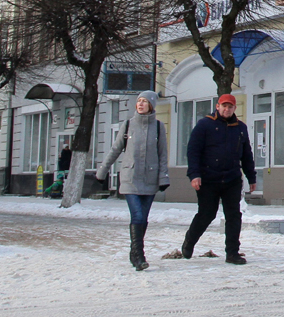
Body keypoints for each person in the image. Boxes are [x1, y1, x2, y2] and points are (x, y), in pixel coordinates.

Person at [172, 93, 256, 265]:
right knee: (207, 214)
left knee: (233, 216)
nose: (227, 109)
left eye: (230, 106)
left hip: (232, 178)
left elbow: (246, 154)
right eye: (224, 106)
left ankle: (232, 252)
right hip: (208, 178)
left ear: (234, 108)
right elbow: (193, 151)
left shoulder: (240, 128)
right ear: (217, 106)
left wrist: (251, 177)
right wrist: (194, 174)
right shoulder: (205, 124)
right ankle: (189, 241)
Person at [95, 91, 171, 271]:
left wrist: (163, 178)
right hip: (130, 178)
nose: (141, 104)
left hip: (150, 179)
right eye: (139, 101)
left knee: (143, 218)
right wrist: (102, 171)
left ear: (151, 105)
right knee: (137, 215)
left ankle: (133, 251)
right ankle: (139, 255)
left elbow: (162, 155)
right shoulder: (128, 125)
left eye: (145, 101)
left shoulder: (159, 127)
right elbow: (115, 150)